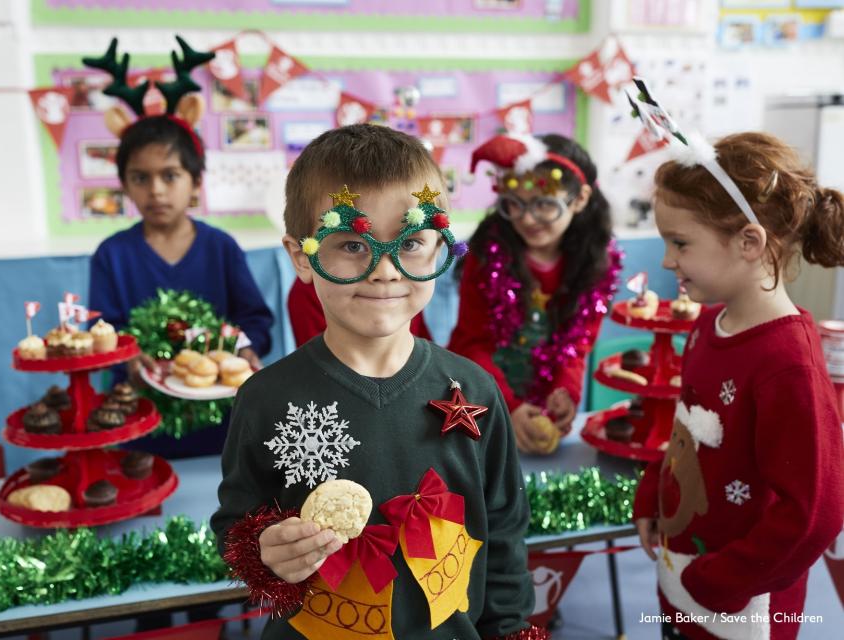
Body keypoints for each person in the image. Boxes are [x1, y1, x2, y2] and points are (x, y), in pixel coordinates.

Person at [210, 124, 544, 639]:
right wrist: (263, 552)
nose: (385, 271)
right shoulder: (265, 398)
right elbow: (234, 523)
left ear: (438, 249)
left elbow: (502, 537)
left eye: (410, 242)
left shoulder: (474, 392)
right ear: (302, 256)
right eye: (351, 244)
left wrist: (511, 631)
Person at [633, 132, 844, 640]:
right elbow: (690, 432)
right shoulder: (710, 324)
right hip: (682, 576)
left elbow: (816, 513)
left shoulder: (787, 362)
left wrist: (717, 581)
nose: (667, 260)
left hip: (741, 609)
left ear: (749, 243)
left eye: (680, 243)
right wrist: (650, 497)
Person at [89, 114, 273, 458]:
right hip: (140, 419)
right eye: (141, 178)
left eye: (170, 175)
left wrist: (246, 350)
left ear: (196, 181)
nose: (156, 190)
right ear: (125, 185)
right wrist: (127, 358)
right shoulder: (111, 255)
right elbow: (103, 331)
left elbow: (256, 320)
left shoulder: (221, 248)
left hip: (221, 420)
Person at [448, 134, 621, 455]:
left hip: (538, 407)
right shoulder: (487, 253)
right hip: (477, 399)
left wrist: (564, 393)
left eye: (544, 204)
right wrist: (507, 406)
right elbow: (472, 344)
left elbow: (576, 346)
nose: (527, 219)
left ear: (580, 198)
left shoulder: (595, 262)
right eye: (514, 203)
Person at [287, 276, 433, 345]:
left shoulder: (405, 289)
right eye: (353, 247)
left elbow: (421, 337)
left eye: (408, 245)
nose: (386, 272)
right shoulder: (307, 292)